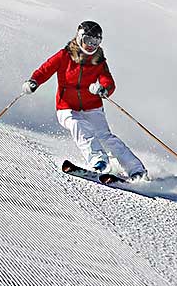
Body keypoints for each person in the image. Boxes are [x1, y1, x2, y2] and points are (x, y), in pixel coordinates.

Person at [24, 20, 147, 180]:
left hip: (92, 107)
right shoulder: (64, 56)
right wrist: (34, 81)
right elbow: (45, 69)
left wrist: (103, 89)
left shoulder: (98, 61)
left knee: (105, 137)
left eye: (96, 42)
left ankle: (136, 170)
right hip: (66, 107)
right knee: (77, 125)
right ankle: (99, 161)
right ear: (80, 38)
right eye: (88, 41)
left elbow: (108, 81)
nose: (91, 45)